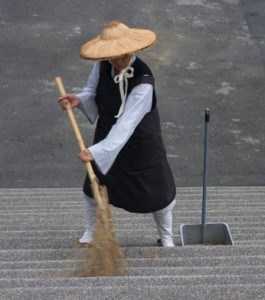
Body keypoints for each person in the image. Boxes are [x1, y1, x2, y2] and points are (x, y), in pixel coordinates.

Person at [58, 20, 176, 247]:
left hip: (139, 141)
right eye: (113, 55)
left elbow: (127, 124)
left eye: (123, 54)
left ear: (132, 49)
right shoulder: (103, 63)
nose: (118, 59)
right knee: (93, 187)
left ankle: (167, 237)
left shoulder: (144, 81)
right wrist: (78, 100)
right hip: (107, 136)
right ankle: (92, 233)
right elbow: (92, 90)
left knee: (157, 192)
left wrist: (96, 151)